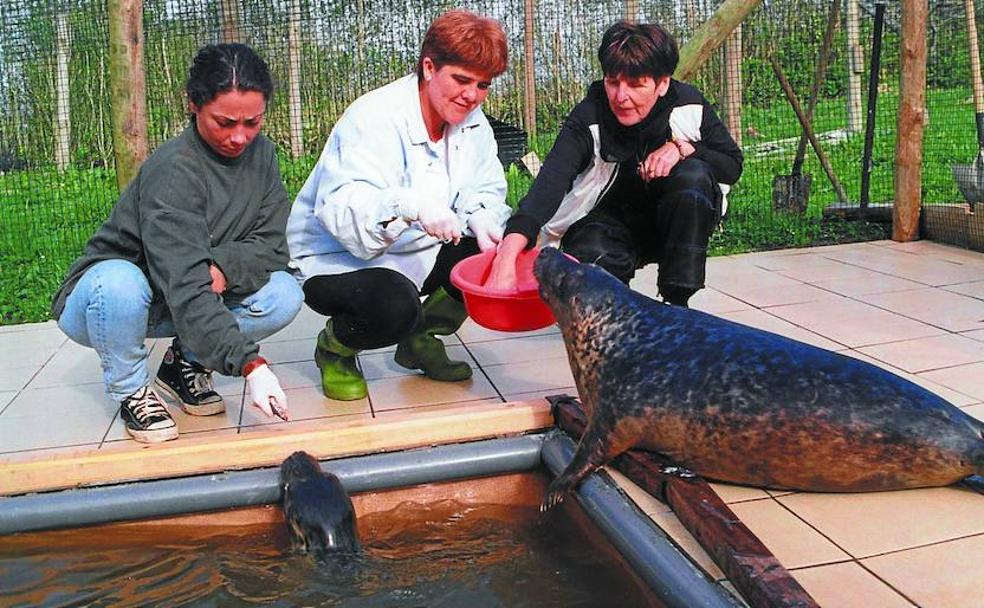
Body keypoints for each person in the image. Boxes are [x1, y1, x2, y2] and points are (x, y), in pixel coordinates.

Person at [51, 43, 303, 443]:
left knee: (283, 292)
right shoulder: (174, 170)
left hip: (186, 294)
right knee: (120, 281)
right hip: (109, 305)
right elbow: (186, 281)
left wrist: (221, 266)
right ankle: (132, 389)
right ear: (192, 105)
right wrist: (251, 365)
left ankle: (184, 364)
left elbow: (272, 247)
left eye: (252, 122)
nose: (240, 137)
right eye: (224, 122)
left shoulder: (263, 157)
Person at [287, 9, 511, 401]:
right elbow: (342, 207)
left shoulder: (473, 123)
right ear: (429, 67)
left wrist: (482, 217)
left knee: (491, 255)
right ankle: (335, 350)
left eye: (483, 85)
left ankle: (421, 340)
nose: (471, 95)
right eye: (461, 79)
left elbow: (485, 186)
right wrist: (410, 205)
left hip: (417, 250)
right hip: (339, 257)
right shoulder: (373, 117)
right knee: (393, 306)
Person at [487, 21, 743, 307]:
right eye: (613, 81)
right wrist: (506, 256)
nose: (621, 97)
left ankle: (677, 303)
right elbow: (549, 184)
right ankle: (610, 313)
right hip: (609, 224)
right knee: (591, 256)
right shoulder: (589, 117)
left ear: (662, 84)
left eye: (636, 84)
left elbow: (732, 165)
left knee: (693, 177)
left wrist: (683, 149)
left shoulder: (689, 105)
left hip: (675, 222)